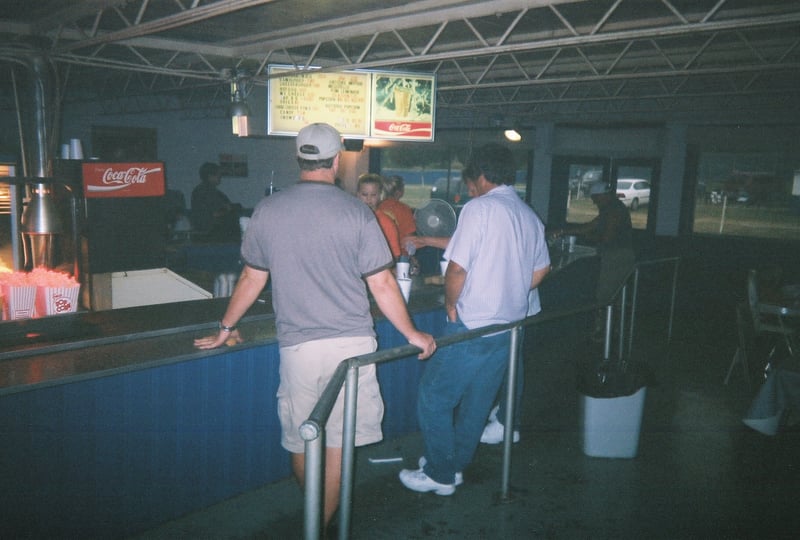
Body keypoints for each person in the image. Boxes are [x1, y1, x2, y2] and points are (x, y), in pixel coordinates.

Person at [194, 123, 436, 529]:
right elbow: (382, 282)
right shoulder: (358, 211)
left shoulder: (268, 210)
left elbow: (253, 278)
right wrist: (413, 334)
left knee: (304, 439)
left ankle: (313, 523)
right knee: (339, 444)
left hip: (298, 348)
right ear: (337, 161)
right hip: (353, 348)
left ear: (298, 159)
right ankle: (318, 528)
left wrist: (224, 327)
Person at [398, 143, 550, 496]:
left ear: (480, 176)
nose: (470, 187)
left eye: (470, 180)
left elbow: (457, 269)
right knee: (478, 403)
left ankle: (439, 475)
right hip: (508, 326)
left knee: (434, 397)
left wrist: (452, 305)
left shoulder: (479, 208)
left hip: (472, 324)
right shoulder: (527, 214)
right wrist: (509, 290)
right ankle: (452, 465)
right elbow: (542, 269)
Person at [555, 182, 635, 337]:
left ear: (603, 196)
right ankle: (613, 330)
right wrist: (563, 231)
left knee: (605, 295)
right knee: (614, 295)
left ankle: (604, 332)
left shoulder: (613, 211)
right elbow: (590, 226)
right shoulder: (611, 208)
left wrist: (590, 237)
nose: (594, 202)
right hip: (618, 255)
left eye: (596, 198)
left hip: (617, 256)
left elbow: (606, 237)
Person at [190, 162, 242, 242]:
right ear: (210, 176)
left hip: (210, 230)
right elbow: (216, 213)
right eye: (218, 175)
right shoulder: (205, 192)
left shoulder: (207, 191)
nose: (220, 177)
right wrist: (228, 209)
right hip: (210, 231)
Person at [357, 173, 402, 259]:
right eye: (364, 195)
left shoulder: (386, 223)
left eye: (373, 195)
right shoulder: (351, 220)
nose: (368, 199)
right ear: (358, 195)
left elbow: (395, 255)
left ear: (380, 196)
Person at [378, 175, 416, 255]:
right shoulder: (404, 209)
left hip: (380, 253)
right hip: (400, 254)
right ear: (399, 192)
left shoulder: (378, 206)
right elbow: (409, 238)